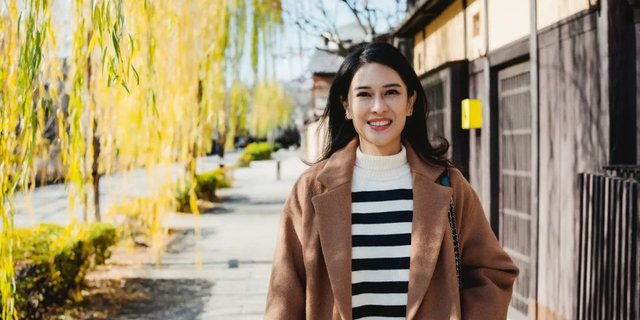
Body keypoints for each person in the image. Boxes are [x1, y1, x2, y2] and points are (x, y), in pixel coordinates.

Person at [265, 42, 518, 319]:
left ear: (410, 103)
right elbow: (285, 293)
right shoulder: (311, 190)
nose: (378, 107)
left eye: (391, 93)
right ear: (346, 106)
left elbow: (492, 272)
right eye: (364, 94)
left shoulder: (448, 185)